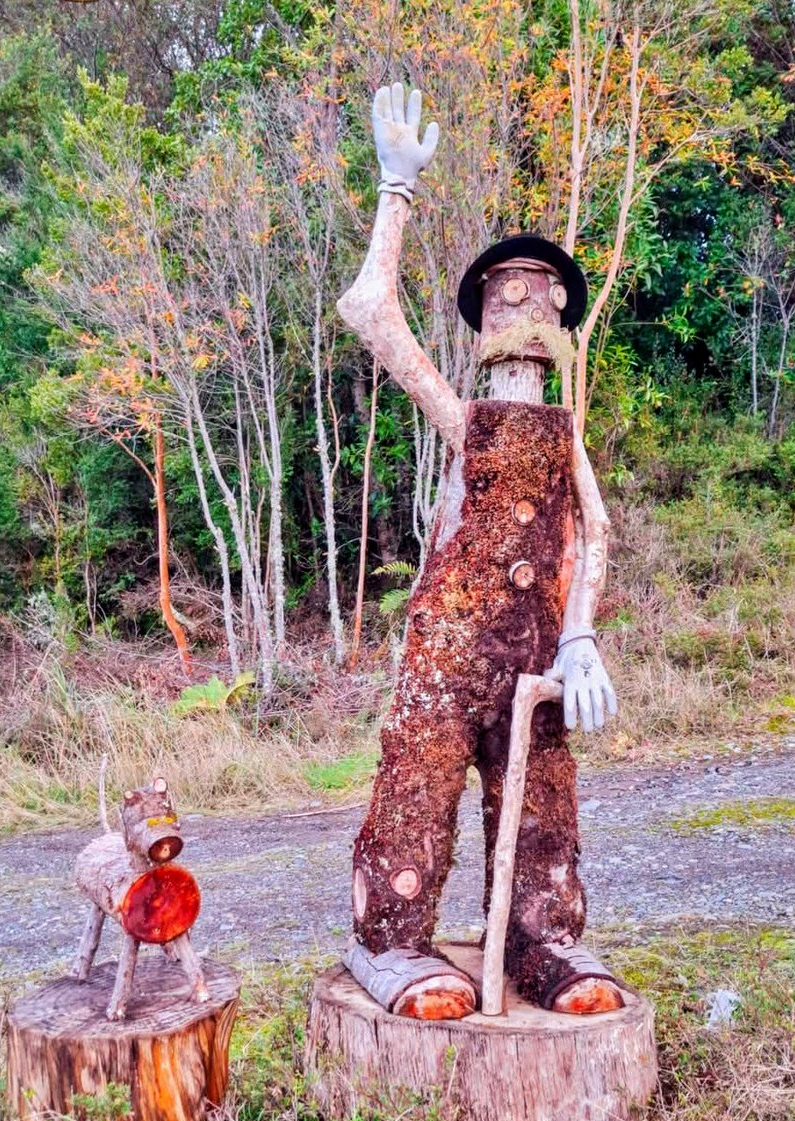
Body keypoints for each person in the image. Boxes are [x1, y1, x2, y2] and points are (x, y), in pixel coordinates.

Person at [338, 83, 621, 1020]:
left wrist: (578, 635)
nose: (524, 305)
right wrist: (396, 190)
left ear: (561, 316)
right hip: (451, 648)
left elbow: (592, 529)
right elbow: (370, 310)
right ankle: (389, 940)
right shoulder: (468, 419)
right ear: (485, 316)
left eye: (539, 293)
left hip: (536, 649)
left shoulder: (564, 432)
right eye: (508, 293)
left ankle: (543, 941)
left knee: (542, 805)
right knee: (417, 787)